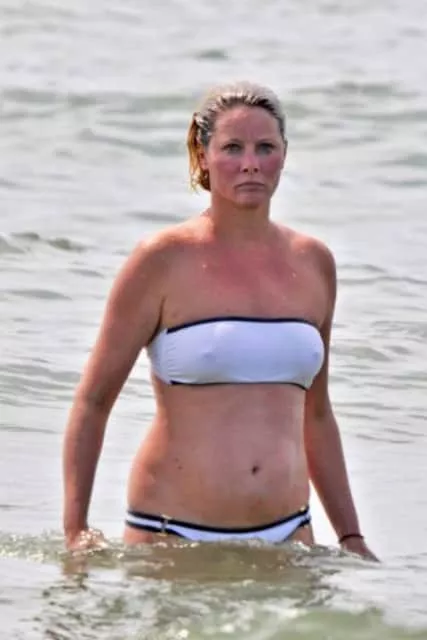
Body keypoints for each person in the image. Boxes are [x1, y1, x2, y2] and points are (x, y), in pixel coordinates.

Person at [62, 81, 377, 561]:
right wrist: (75, 529)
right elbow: (93, 401)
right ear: (203, 156)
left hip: (289, 539)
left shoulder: (314, 262)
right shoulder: (161, 259)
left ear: (284, 155)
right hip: (172, 538)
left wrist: (351, 536)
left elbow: (316, 413)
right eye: (232, 148)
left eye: (265, 147)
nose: (251, 163)